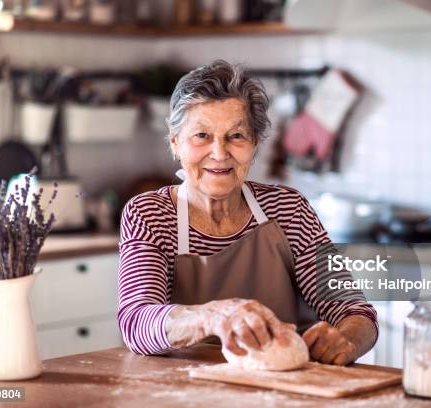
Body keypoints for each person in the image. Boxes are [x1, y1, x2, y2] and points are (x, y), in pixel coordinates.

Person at [118, 60, 378, 365]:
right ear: (175, 142)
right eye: (201, 136)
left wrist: (345, 340)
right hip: (185, 390)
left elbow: (356, 313)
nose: (219, 153)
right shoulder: (149, 214)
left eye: (236, 136)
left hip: (283, 389)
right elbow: (136, 322)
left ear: (254, 145)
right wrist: (214, 317)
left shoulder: (288, 210)